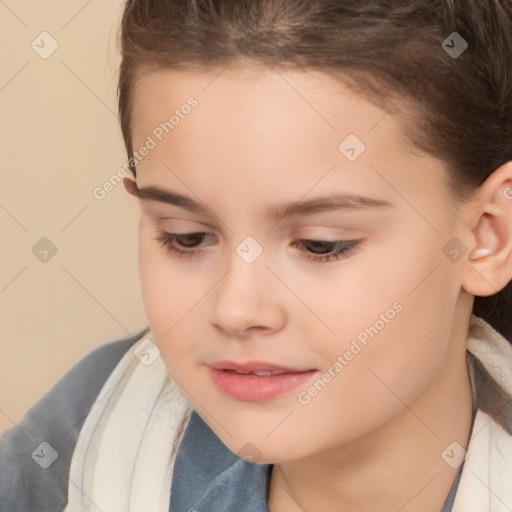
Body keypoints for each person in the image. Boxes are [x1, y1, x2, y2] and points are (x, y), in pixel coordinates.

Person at [2, 1, 512, 511]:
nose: (235, 310)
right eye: (187, 237)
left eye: (321, 245)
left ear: (488, 236)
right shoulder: (90, 432)